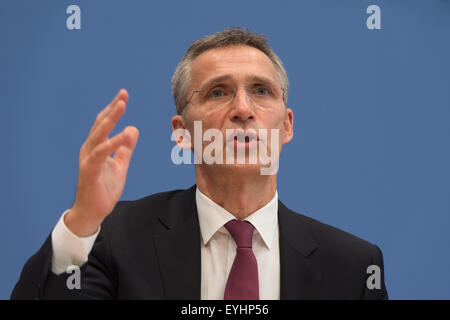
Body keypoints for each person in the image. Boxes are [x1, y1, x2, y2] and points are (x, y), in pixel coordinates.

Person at [11, 27, 388, 300]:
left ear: (286, 126)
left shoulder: (353, 267)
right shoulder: (111, 239)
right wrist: (81, 223)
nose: (243, 110)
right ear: (182, 133)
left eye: (261, 91)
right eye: (218, 92)